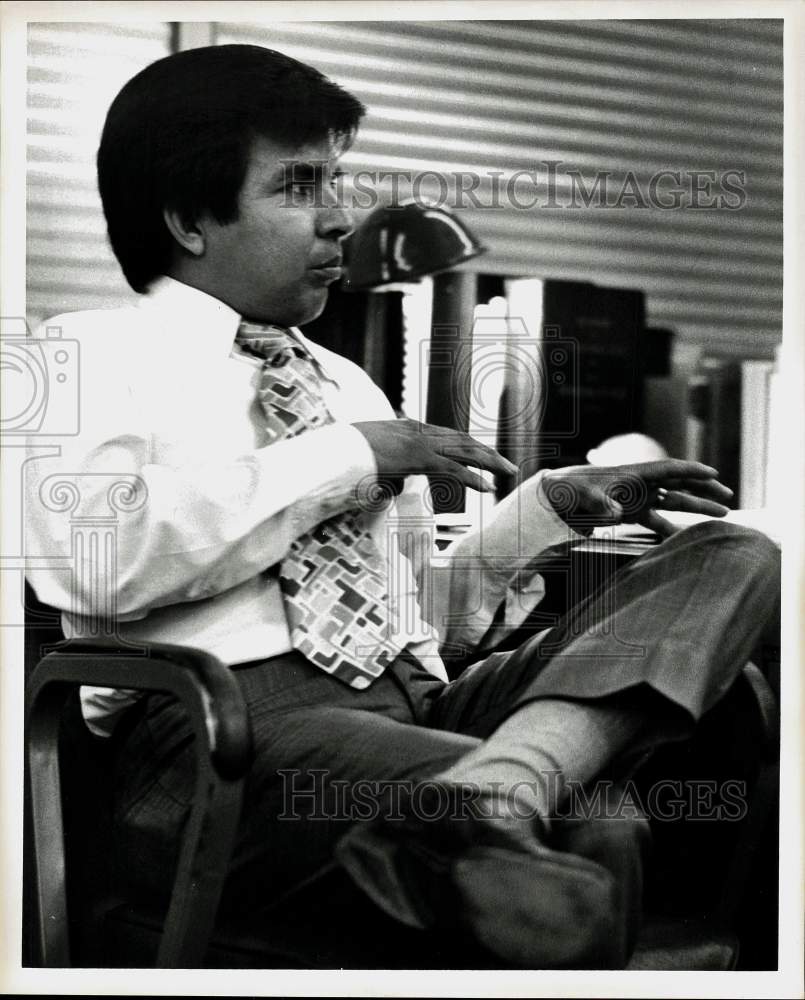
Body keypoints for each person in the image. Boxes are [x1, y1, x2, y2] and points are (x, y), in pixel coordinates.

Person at [24, 44, 780, 968]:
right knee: (592, 822)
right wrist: (347, 457)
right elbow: (93, 567)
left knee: (734, 554)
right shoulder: (83, 356)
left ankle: (498, 788)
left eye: (333, 181)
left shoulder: (344, 382)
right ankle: (503, 802)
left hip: (411, 705)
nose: (340, 219)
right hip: (222, 743)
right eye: (300, 187)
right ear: (189, 218)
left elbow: (407, 619)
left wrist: (548, 514)